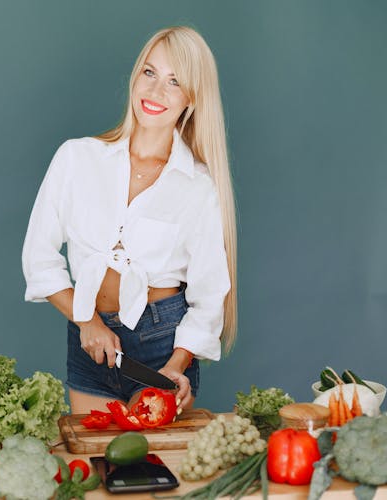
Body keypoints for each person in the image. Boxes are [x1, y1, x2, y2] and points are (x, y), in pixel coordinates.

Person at [22, 26, 237, 414]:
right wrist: (86, 319)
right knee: (94, 466)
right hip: (89, 340)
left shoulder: (198, 187)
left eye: (175, 82)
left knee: (160, 469)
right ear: (136, 76)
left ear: (191, 98)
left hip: (162, 345)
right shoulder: (76, 158)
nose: (156, 92)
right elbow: (38, 259)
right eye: (149, 73)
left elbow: (208, 297)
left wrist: (175, 366)